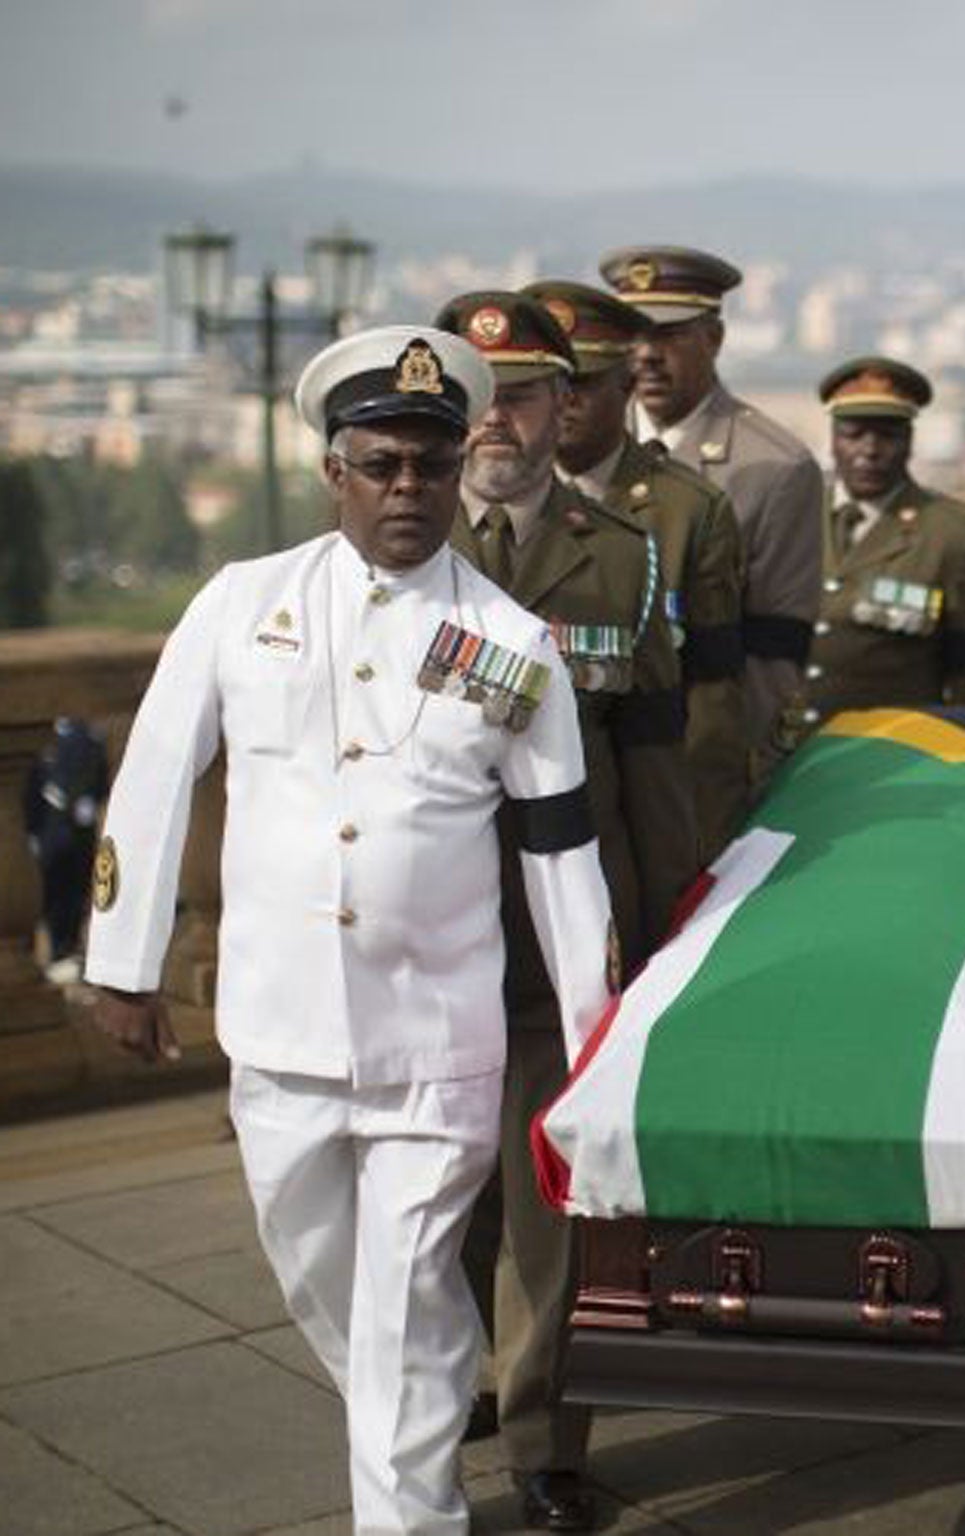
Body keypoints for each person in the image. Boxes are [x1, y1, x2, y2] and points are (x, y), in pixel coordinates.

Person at [84, 325, 614, 1536]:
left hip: (438, 1037)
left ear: (456, 464)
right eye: (381, 464)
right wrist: (123, 964)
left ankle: (411, 1518)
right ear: (336, 470)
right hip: (278, 1031)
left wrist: (594, 1042)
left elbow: (559, 852)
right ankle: (422, 1407)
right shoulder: (238, 605)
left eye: (429, 465)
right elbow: (156, 782)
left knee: (404, 1293)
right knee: (330, 1286)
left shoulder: (512, 647)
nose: (408, 491)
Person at [435, 291, 699, 1532]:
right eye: (482, 396)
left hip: (561, 937)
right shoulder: (397, 544)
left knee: (552, 1210)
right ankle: (442, 1410)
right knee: (439, 1198)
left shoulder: (621, 555)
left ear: (564, 409)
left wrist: (658, 937)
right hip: (426, 941)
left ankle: (544, 1441)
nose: (503, 418)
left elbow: (651, 764)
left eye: (528, 394)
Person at [523, 278, 750, 857]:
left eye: (583, 383)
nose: (564, 400)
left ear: (626, 385)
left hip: (626, 815)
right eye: (549, 385)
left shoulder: (688, 511)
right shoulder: (495, 509)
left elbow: (709, 707)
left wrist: (694, 843)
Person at [600, 244, 823, 791]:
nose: (647, 355)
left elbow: (774, 654)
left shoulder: (773, 467)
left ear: (715, 339)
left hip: (693, 761)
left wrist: (742, 774)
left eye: (669, 335)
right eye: (634, 336)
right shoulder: (588, 440)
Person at [799, 354, 965, 724]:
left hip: (888, 755)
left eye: (887, 435)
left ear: (910, 440)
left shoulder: (955, 534)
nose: (870, 450)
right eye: (853, 434)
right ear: (832, 440)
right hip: (783, 754)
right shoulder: (792, 515)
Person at [23, 715, 108, 978]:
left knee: (72, 892)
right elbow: (32, 788)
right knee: (58, 895)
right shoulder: (48, 737)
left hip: (71, 832)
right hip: (55, 831)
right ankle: (61, 949)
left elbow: (99, 777)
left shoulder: (86, 737)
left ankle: (65, 950)